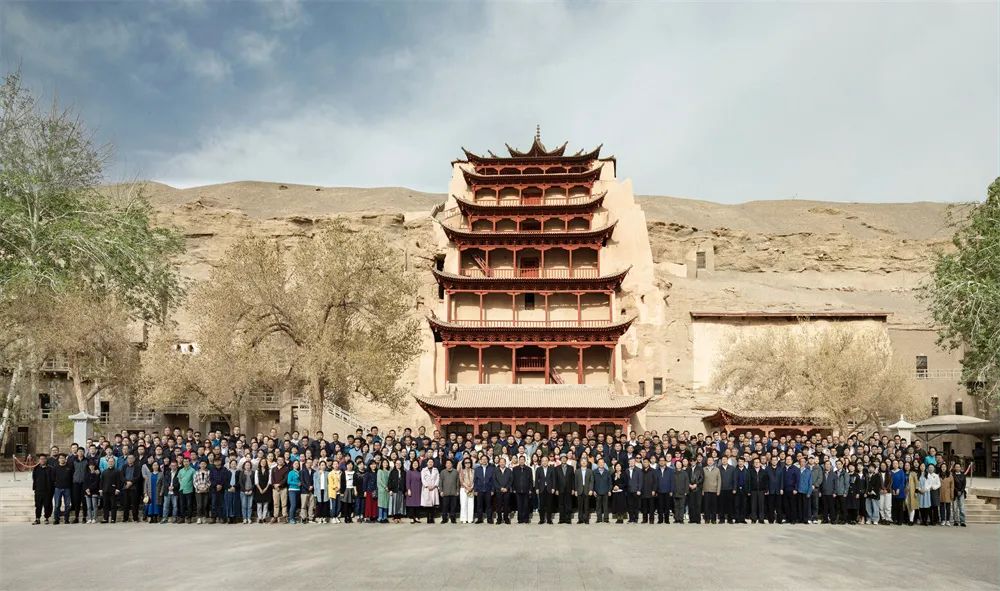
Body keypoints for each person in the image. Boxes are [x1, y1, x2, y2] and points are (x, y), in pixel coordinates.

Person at [32, 453, 54, 525]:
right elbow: (34, 478)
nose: (42, 460)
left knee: (47, 505)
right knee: (38, 505)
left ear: (46, 460)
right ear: (39, 460)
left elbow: (52, 479)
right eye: (41, 459)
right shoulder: (36, 468)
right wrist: (35, 488)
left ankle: (46, 518)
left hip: (47, 490)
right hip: (38, 490)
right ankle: (37, 518)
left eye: (44, 459)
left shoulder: (50, 468)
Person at [52, 454, 73, 525]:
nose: (62, 459)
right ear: (58, 460)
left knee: (67, 505)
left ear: (65, 459)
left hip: (67, 488)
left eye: (63, 458)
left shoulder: (69, 468)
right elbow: (53, 478)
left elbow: (71, 477)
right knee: (57, 504)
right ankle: (56, 519)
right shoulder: (55, 468)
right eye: (60, 458)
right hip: (58, 488)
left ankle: (66, 519)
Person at [511, 456, 532, 524]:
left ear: (525, 460)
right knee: (519, 505)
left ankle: (526, 519)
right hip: (518, 490)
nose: (521, 461)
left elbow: (530, 480)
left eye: (523, 460)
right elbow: (513, 480)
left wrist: (530, 489)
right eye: (520, 460)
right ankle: (520, 519)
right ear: (518, 461)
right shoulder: (515, 469)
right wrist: (513, 488)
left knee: (526, 505)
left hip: (526, 490)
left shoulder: (529, 469)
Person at [99, 459, 122, 523]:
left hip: (113, 491)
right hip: (105, 490)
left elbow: (119, 481)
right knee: (105, 505)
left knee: (113, 505)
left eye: (112, 462)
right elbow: (101, 481)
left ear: (114, 462)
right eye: (109, 462)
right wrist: (100, 489)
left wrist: (117, 489)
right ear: (107, 463)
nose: (110, 463)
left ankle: (113, 519)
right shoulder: (104, 471)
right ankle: (105, 519)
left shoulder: (117, 471)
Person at [439, 458, 460, 524]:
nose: (448, 464)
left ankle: (453, 518)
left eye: (450, 463)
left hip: (454, 492)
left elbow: (457, 482)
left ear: (452, 464)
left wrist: (457, 491)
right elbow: (440, 482)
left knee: (453, 507)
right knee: (445, 507)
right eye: (447, 463)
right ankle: (444, 519)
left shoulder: (456, 472)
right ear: (445, 465)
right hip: (445, 493)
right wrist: (441, 491)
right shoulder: (442, 472)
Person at [575, 457, 595, 524]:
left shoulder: (590, 471)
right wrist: (575, 490)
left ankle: (586, 519)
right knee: (580, 506)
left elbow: (591, 481)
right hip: (579, 490)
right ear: (580, 463)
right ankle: (580, 519)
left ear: (587, 463)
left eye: (585, 461)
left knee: (586, 506)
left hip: (587, 490)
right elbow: (575, 482)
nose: (583, 462)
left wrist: (591, 490)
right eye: (582, 461)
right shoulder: (577, 471)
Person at [492, 457, 512, 525]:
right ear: (499, 463)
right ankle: (499, 519)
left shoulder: (509, 470)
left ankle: (506, 519)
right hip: (498, 491)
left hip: (507, 491)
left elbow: (511, 480)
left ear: (505, 463)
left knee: (506, 505)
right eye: (501, 462)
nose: (502, 463)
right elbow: (494, 481)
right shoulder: (495, 470)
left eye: (503, 462)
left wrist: (506, 488)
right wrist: (500, 488)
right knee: (499, 506)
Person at [421, 458, 441, 524]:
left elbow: (438, 478)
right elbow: (423, 479)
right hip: (427, 488)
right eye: (429, 462)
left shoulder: (436, 470)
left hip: (434, 488)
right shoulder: (424, 470)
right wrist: (427, 486)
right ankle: (428, 518)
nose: (430, 463)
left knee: (433, 505)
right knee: (427, 505)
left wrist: (435, 485)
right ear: (427, 463)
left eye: (432, 462)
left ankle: (432, 518)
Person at [593, 458, 612, 524]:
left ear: (604, 464)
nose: (601, 464)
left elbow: (610, 482)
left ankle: (606, 519)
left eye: (602, 462)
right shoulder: (594, 472)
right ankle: (599, 519)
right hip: (597, 491)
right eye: (600, 462)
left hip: (605, 491)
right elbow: (593, 482)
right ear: (598, 464)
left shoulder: (607, 472)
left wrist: (609, 490)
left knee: (605, 506)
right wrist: (593, 490)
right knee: (598, 506)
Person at [177, 457, 196, 523]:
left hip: (189, 489)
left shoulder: (193, 470)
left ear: (189, 462)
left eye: (187, 461)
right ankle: (182, 517)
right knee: (182, 504)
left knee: (189, 504)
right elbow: (179, 478)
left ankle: (189, 517)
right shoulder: (181, 470)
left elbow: (194, 480)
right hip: (181, 489)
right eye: (184, 461)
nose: (185, 463)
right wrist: (181, 483)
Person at [254, 458, 272, 524]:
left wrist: (265, 488)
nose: (263, 463)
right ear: (260, 463)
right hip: (258, 489)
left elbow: (269, 481)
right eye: (262, 461)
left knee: (265, 504)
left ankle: (264, 517)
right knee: (259, 505)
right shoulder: (257, 471)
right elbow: (256, 482)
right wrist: (260, 489)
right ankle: (260, 517)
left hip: (267, 489)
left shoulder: (269, 471)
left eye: (264, 462)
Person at [194, 460, 211, 524]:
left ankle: (204, 517)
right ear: (199, 465)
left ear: (206, 465)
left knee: (205, 504)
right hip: (198, 491)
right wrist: (199, 487)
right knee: (199, 505)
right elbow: (194, 481)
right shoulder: (196, 472)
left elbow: (209, 481)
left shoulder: (208, 472)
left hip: (206, 490)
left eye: (204, 464)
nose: (203, 465)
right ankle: (199, 517)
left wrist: (206, 487)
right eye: (201, 464)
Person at [458, 457, 475, 524]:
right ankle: (464, 518)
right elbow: (461, 481)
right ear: (464, 464)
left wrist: (471, 487)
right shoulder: (462, 471)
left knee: (471, 504)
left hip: (471, 488)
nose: (467, 464)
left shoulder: (473, 471)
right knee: (463, 504)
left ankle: (470, 519)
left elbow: (474, 480)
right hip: (463, 489)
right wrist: (467, 487)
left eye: (469, 462)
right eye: (466, 463)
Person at [404, 459, 422, 524]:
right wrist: (408, 489)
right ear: (412, 464)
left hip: (418, 489)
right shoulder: (409, 472)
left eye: (416, 463)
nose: (415, 464)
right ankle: (411, 518)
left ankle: (417, 517)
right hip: (411, 489)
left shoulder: (419, 472)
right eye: (414, 463)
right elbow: (407, 481)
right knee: (411, 504)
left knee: (417, 504)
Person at [952, 462, 967, 526]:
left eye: (958, 467)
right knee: (955, 507)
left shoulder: (963, 475)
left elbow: (964, 484)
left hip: (962, 493)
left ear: (960, 468)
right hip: (954, 493)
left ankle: (962, 521)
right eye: (956, 467)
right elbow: (952, 484)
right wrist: (957, 491)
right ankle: (956, 521)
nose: (957, 468)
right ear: (954, 468)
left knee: (962, 507)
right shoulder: (952, 475)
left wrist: (961, 491)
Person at [376, 459, 392, 524]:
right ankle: (380, 517)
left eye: (386, 463)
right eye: (384, 462)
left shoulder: (388, 471)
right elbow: (379, 480)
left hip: (387, 490)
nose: (385, 464)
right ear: (381, 464)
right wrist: (385, 487)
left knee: (386, 503)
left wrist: (388, 487)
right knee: (381, 504)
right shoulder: (380, 471)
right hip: (382, 489)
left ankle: (385, 517)